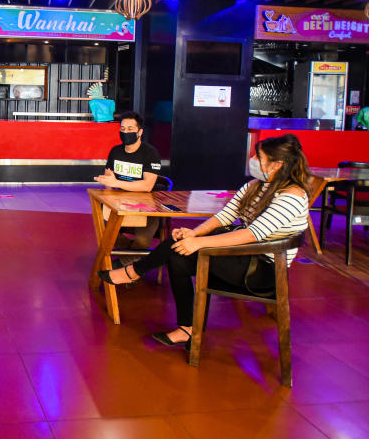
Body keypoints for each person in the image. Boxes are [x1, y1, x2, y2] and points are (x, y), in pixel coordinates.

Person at [98, 133, 311, 349]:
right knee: (178, 251)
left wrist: (199, 243)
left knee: (179, 249)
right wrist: (195, 234)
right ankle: (186, 329)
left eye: (259, 157)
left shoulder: (292, 195)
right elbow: (225, 216)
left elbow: (253, 234)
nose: (253, 160)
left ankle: (133, 272)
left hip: (261, 271)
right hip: (243, 256)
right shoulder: (257, 185)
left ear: (277, 164)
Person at [94, 111, 164, 251]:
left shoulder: (150, 153)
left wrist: (117, 183)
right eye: (123, 129)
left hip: (146, 208)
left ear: (140, 132)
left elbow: (147, 186)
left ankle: (126, 265)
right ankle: (132, 261)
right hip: (120, 206)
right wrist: (108, 184)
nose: (126, 132)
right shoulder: (115, 151)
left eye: (130, 129)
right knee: (103, 232)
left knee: (142, 242)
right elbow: (109, 181)